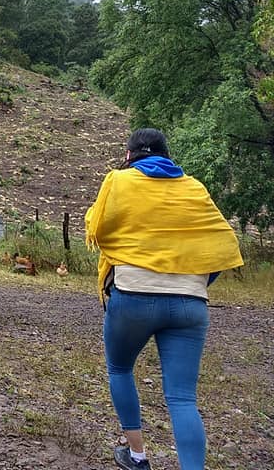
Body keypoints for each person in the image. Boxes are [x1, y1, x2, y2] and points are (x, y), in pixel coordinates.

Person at [85, 128, 243, 470]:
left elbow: (97, 229)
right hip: (190, 303)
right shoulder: (194, 188)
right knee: (183, 398)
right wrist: (196, 281)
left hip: (133, 296)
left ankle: (137, 456)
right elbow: (220, 243)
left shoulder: (119, 181)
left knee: (120, 368)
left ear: (129, 156)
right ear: (166, 155)